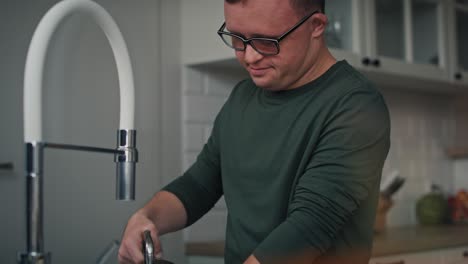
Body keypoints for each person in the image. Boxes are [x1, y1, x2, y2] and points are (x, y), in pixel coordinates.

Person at [118, 0, 390, 263]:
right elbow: (198, 185)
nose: (249, 56)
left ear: (316, 26)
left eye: (266, 41)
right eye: (237, 38)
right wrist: (146, 218)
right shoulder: (242, 98)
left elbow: (309, 227)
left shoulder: (356, 105)